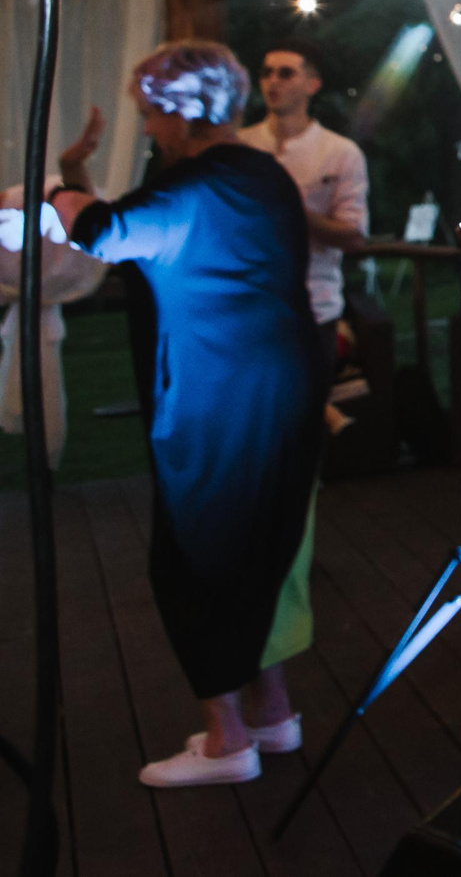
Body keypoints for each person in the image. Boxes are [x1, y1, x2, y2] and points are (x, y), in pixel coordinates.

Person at [43, 43, 330, 788]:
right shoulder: (258, 173)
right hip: (280, 388)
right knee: (257, 545)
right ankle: (272, 713)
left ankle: (227, 737)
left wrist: (55, 190)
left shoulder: (200, 185)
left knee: (197, 555)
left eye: (149, 113)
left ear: (179, 108)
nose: (147, 128)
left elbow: (104, 231)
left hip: (220, 397)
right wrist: (79, 176)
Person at [240, 38, 370, 329]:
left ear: (312, 84)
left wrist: (290, 207)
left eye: (286, 73)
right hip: (247, 307)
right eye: (266, 72)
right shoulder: (241, 145)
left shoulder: (339, 152)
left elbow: (354, 237)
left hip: (313, 308)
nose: (273, 81)